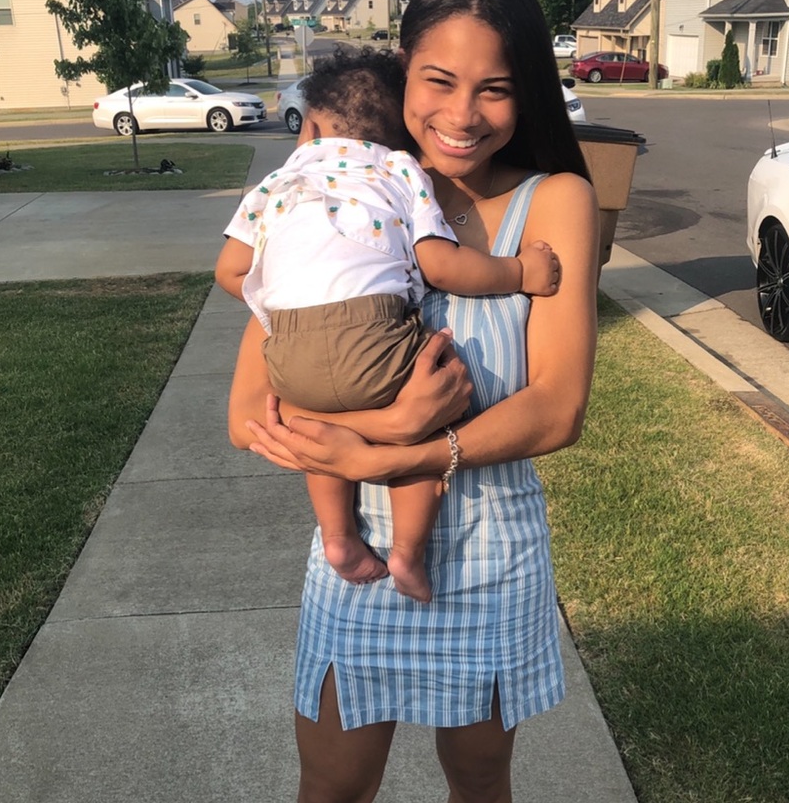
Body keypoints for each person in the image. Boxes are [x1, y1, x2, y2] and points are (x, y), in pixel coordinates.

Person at [227, 0, 600, 803]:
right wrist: (391, 438)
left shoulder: (554, 201)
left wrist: (392, 443)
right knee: (332, 783)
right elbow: (250, 414)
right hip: (354, 557)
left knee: (478, 779)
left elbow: (557, 407)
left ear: (527, 91)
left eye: (495, 89)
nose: (463, 115)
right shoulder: (335, 196)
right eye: (439, 81)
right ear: (403, 71)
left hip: (492, 555)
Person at [216, 47, 560, 603]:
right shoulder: (399, 168)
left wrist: (284, 294)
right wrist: (520, 271)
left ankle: (339, 539)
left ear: (310, 127)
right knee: (428, 397)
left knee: (320, 423)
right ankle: (407, 552)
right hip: (371, 335)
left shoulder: (280, 183)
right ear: (401, 133)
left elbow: (230, 270)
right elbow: (438, 265)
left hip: (289, 342)